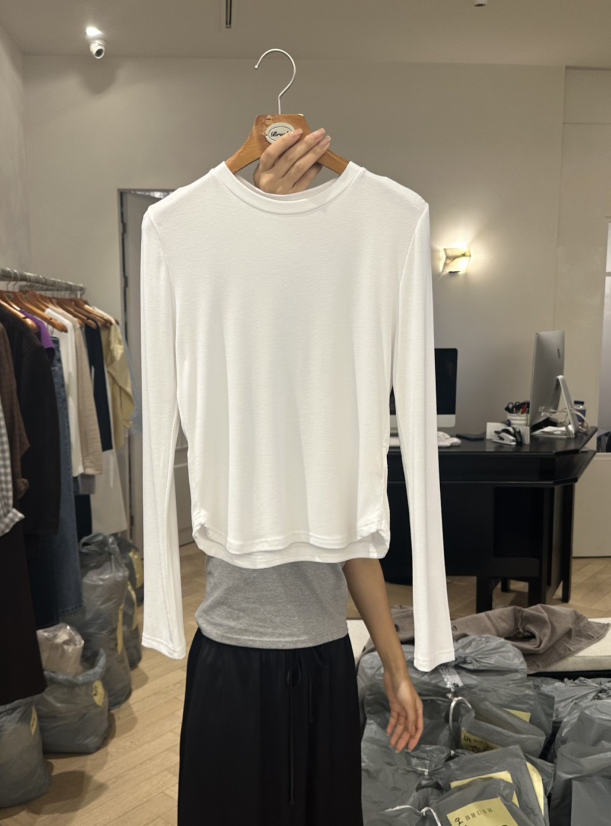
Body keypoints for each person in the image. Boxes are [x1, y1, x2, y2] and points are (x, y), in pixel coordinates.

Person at [177, 128, 425, 826]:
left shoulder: (336, 389)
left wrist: (396, 668)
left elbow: (356, 547)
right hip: (231, 655)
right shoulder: (226, 365)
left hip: (321, 655)